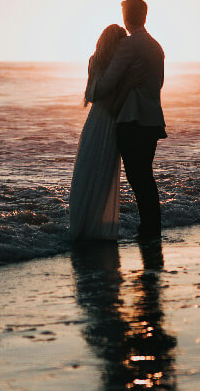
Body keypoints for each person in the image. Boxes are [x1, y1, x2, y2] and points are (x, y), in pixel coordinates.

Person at [94, 0, 166, 239]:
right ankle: (151, 227)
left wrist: (97, 85)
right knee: (145, 175)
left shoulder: (129, 46)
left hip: (132, 121)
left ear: (126, 18)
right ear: (144, 16)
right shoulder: (156, 46)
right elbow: (160, 84)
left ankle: (149, 230)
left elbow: (106, 84)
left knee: (138, 178)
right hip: (153, 120)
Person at [68, 24, 129, 240]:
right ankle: (93, 226)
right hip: (109, 120)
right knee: (99, 171)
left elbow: (91, 94)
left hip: (98, 119)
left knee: (91, 169)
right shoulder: (110, 64)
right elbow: (93, 93)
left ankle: (86, 224)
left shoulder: (101, 61)